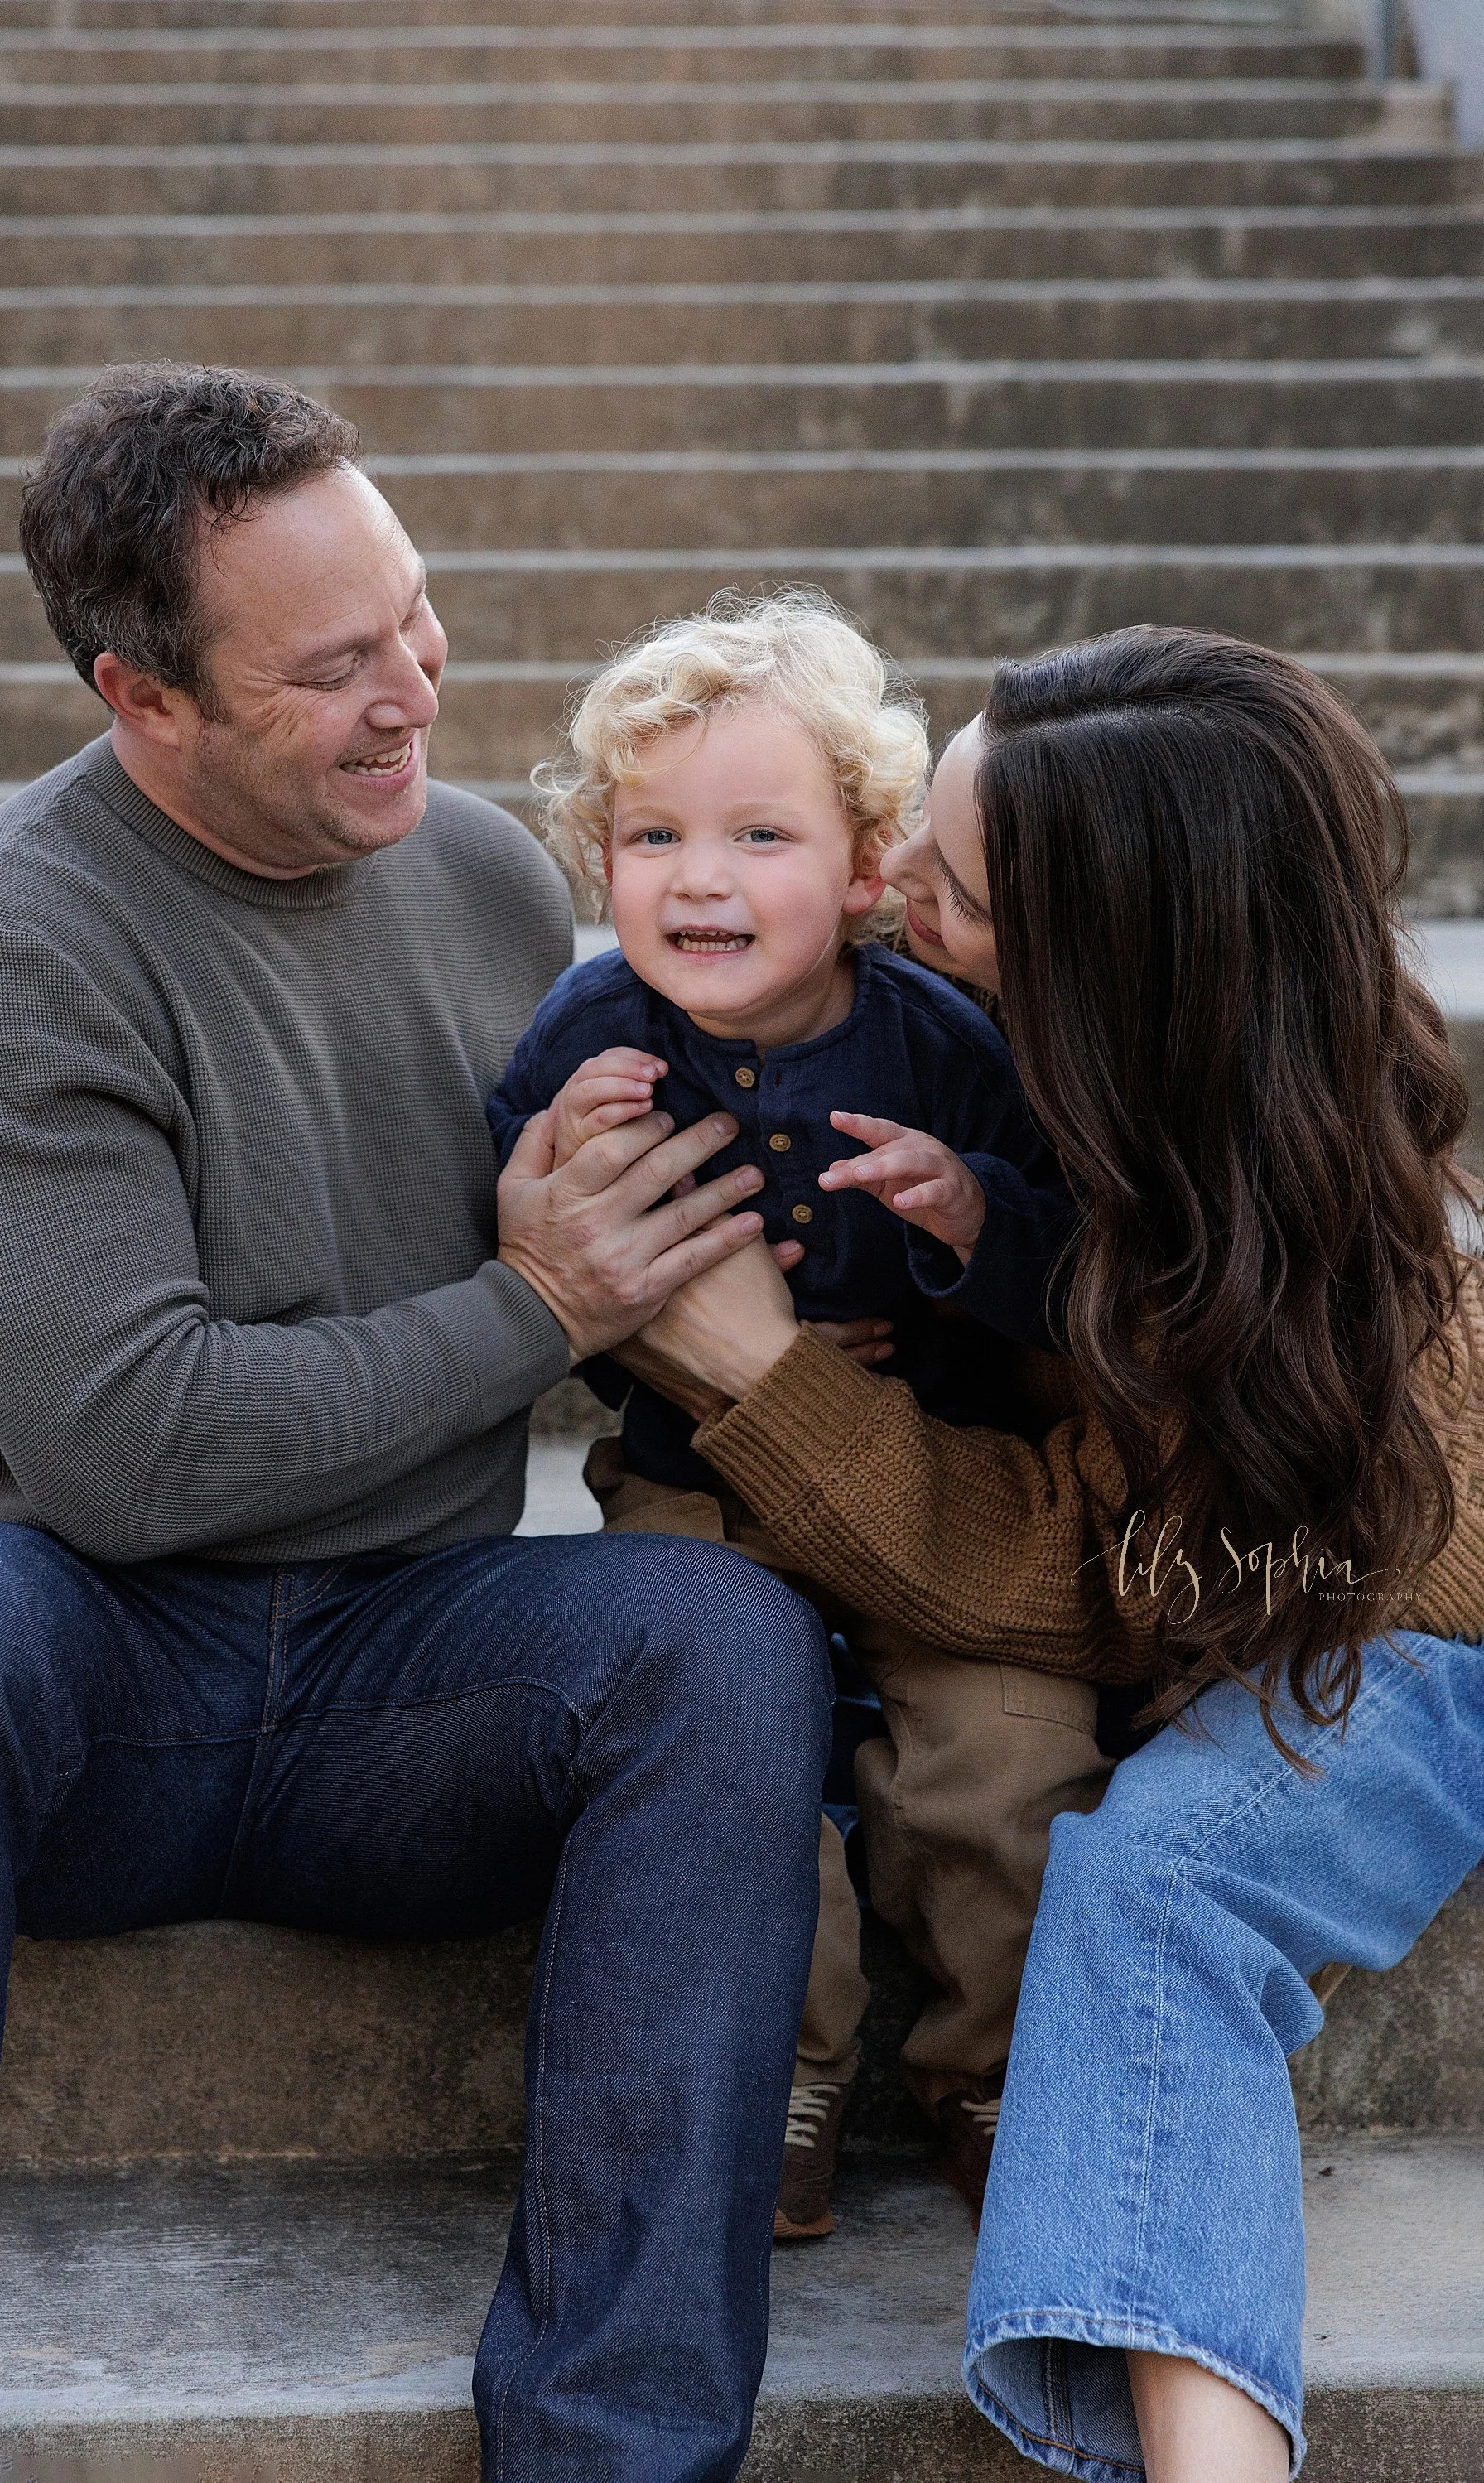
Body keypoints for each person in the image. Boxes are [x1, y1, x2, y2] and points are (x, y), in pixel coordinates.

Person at [0, 363, 836, 2483]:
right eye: (331, 667)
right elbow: (130, 1444)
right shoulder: (4, 946)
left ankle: (615, 2449)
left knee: (722, 1644)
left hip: (415, 1665)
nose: (413, 690)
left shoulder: (487, 880)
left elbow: (661, 1218)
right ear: (142, 693)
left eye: (415, 615)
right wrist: (532, 1303)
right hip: (94, 1662)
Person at [613, 627, 1484, 2480]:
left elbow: (1109, 1582)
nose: (889, 897)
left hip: (1393, 1627)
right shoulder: (987, 1064)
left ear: (1108, 974)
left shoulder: (1293, 1223)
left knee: (1150, 1877)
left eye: (953, 891)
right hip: (1185, 1604)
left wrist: (766, 1380)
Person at [489, 589, 1100, 2240]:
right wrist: (542, 1180)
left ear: (866, 867)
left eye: (759, 835)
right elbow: (511, 1234)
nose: (700, 877)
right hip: (691, 1477)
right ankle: (776, 2077)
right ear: (600, 858)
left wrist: (971, 1218)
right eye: (653, 835)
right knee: (727, 1753)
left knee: (1008, 1748)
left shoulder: (947, 1048)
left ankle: (992, 2070)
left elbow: (1073, 1270)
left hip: (938, 1480)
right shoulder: (585, 1035)